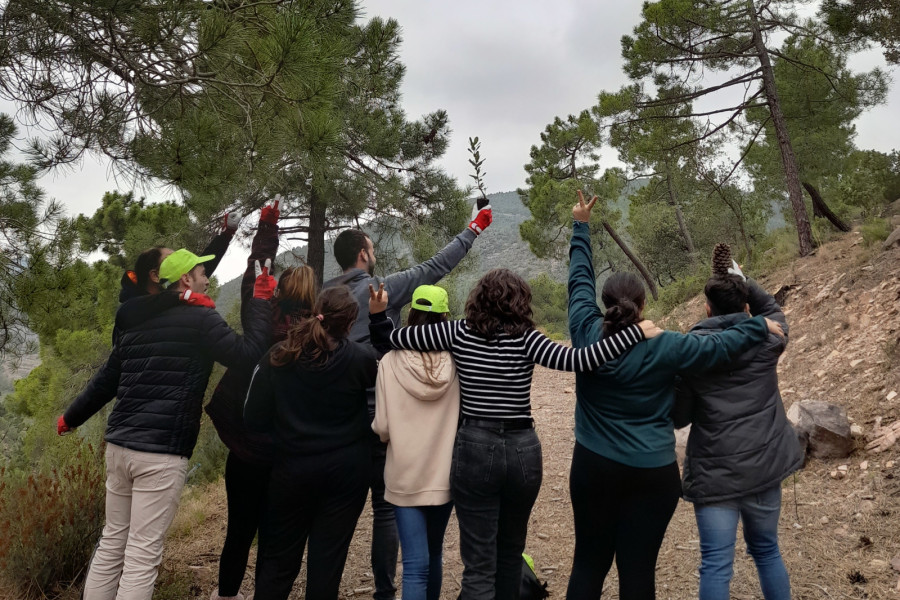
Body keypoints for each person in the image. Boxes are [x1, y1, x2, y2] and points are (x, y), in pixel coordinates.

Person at [369, 268, 657, 600]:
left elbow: (391, 340)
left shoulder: (458, 332)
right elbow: (581, 360)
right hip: (523, 450)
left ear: (478, 299)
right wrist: (632, 334)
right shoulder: (528, 338)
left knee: (478, 565)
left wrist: (378, 316)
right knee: (509, 556)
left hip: (475, 446)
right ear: (521, 302)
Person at [564, 191, 784, 600]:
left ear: (603, 304)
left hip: (593, 467)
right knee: (638, 572)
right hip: (653, 473)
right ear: (643, 304)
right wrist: (757, 327)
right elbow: (716, 347)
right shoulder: (668, 344)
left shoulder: (584, 332)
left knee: (588, 564)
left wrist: (581, 226)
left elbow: (579, 281)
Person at [59, 242, 276, 600]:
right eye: (204, 273)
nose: (208, 280)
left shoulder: (137, 319)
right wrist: (261, 302)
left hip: (119, 447)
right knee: (142, 554)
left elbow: (105, 380)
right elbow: (248, 355)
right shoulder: (201, 318)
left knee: (113, 542)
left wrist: (70, 417)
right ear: (186, 278)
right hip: (160, 454)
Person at [323, 203, 493, 600]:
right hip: (387, 415)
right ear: (363, 255)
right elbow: (435, 267)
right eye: (372, 247)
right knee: (386, 513)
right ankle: (385, 591)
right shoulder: (381, 289)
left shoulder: (321, 296)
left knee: (333, 515)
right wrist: (472, 229)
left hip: (336, 418)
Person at [243, 285, 392, 600]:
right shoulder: (360, 359)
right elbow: (390, 366)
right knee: (327, 565)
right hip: (346, 476)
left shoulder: (279, 356)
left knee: (278, 564)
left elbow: (252, 417)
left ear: (316, 312)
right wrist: (379, 319)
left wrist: (283, 440)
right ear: (350, 324)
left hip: (290, 472)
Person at [203, 201, 320, 600]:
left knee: (238, 532)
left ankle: (227, 595)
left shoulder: (261, 316)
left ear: (279, 289)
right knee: (275, 536)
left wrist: (269, 225)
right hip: (287, 454)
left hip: (245, 448)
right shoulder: (317, 337)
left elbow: (258, 265)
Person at [673, 251, 803, 600]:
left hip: (716, 475)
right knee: (767, 551)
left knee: (716, 564)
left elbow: (680, 417)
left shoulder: (691, 353)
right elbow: (774, 312)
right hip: (764, 466)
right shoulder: (768, 339)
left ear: (707, 309)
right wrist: (742, 279)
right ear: (746, 308)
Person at [371, 284, 460, 600]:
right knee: (434, 554)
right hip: (443, 475)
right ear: (446, 318)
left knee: (414, 565)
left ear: (411, 316)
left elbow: (382, 427)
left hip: (405, 476)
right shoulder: (457, 363)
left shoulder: (389, 362)